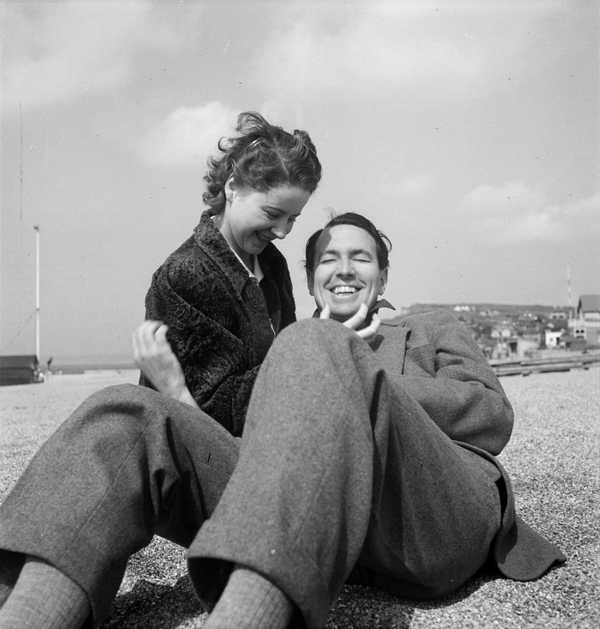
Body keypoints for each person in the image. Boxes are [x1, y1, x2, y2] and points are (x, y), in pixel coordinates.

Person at [0, 110, 322, 629]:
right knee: (112, 430)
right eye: (274, 214)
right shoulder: (185, 275)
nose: (283, 231)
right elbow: (209, 414)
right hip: (212, 459)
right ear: (234, 186)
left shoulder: (273, 265)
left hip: (261, 471)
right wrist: (299, 365)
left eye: (293, 219)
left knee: (111, 423)